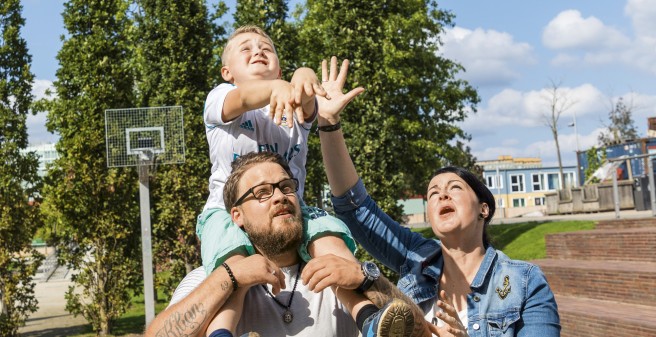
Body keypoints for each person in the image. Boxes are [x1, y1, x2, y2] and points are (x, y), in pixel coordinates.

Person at [316, 58, 561, 337]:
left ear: (484, 208)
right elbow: (354, 208)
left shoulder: (524, 282)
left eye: (455, 187)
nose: (441, 193)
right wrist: (328, 122)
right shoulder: (415, 257)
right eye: (433, 193)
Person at [196, 25, 381, 336]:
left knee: (331, 247)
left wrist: (305, 75)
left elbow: (307, 97)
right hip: (226, 214)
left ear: (278, 68)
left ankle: (372, 317)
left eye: (265, 48)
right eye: (246, 48)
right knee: (236, 269)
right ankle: (221, 332)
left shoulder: (292, 106)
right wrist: (277, 86)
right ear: (227, 72)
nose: (257, 50)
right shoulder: (221, 97)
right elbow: (242, 99)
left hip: (292, 211)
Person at [145, 151, 422, 337]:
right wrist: (230, 276)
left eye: (286, 187)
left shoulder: (335, 274)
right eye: (262, 193)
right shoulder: (210, 279)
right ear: (237, 216)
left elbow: (419, 331)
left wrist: (364, 278)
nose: (280, 197)